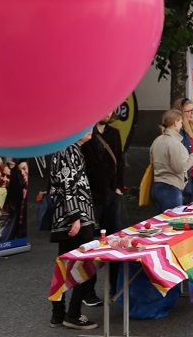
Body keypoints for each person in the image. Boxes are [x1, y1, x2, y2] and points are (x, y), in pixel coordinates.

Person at [48, 129, 99, 330]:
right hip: (75, 219)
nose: (90, 129)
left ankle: (58, 314)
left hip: (70, 217)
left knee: (64, 266)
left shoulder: (68, 148)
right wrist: (76, 217)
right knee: (83, 266)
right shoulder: (69, 149)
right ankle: (73, 314)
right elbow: (68, 185)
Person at [81, 113, 126, 304]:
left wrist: (118, 186)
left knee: (116, 241)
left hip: (111, 195)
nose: (107, 113)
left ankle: (115, 288)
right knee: (90, 244)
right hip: (92, 197)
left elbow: (120, 160)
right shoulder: (85, 135)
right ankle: (87, 293)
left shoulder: (114, 133)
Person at [150, 109, 193, 212]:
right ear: (175, 122)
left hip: (156, 187)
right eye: (181, 122)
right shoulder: (174, 143)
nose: (182, 125)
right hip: (171, 188)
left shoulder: (157, 140)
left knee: (160, 223)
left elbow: (151, 162)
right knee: (172, 223)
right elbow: (181, 168)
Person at [171, 97, 193, 202]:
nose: (192, 114)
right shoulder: (179, 131)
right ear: (180, 113)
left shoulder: (192, 127)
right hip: (185, 177)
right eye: (188, 111)